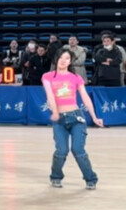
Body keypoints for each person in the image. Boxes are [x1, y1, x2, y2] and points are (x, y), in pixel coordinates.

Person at [42, 48, 103, 189]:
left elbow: (85, 97)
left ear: (70, 62)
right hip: (59, 120)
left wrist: (94, 117)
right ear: (56, 59)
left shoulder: (75, 78)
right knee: (61, 150)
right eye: (61, 57)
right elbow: (50, 95)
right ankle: (56, 176)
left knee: (78, 149)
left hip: (76, 118)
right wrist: (55, 112)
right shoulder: (48, 76)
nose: (63, 61)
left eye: (67, 59)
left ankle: (90, 179)